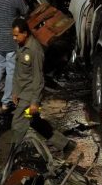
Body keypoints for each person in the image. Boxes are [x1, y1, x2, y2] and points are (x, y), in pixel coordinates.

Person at [8, 18, 74, 151]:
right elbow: (18, 72)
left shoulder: (35, 50)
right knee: (34, 121)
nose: (14, 38)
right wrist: (14, 91)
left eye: (16, 35)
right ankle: (64, 144)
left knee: (17, 124)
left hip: (30, 95)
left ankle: (13, 156)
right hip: (21, 93)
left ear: (25, 33)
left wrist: (34, 102)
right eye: (13, 35)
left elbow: (38, 79)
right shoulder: (21, 46)